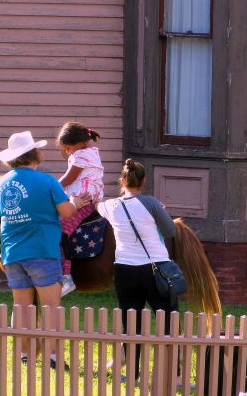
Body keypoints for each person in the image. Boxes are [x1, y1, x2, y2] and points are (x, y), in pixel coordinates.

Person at [0, 131, 87, 367]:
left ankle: (24, 355)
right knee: (51, 307)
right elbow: (67, 212)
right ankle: (52, 356)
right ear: (35, 154)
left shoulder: (1, 184)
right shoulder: (47, 181)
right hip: (42, 250)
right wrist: (75, 203)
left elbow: (1, 213)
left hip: (12, 253)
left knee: (22, 307)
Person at [96, 158, 177, 381]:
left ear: (122, 181)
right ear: (143, 180)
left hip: (125, 270)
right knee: (169, 318)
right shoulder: (151, 203)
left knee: (131, 322)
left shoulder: (110, 206)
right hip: (156, 267)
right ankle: (173, 374)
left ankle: (132, 373)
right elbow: (170, 231)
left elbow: (97, 206)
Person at [55, 121, 104, 297]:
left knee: (60, 231)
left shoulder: (81, 156)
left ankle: (66, 276)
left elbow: (68, 179)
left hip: (82, 202)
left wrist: (50, 188)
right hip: (86, 200)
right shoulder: (91, 153)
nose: (68, 151)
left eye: (68, 148)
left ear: (80, 143)